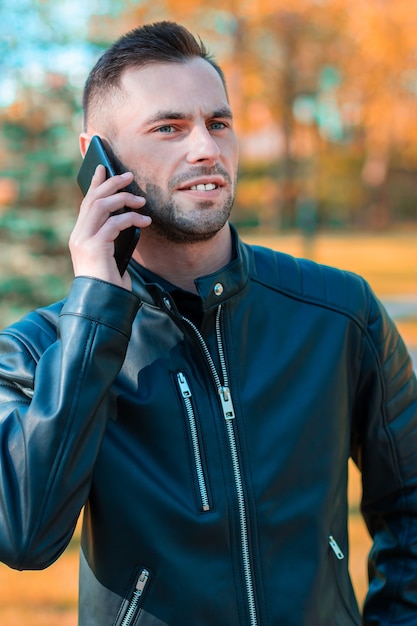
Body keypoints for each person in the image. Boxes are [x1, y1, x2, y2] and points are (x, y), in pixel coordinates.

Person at [0, 21, 416, 626]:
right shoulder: (40, 351)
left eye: (218, 123)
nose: (205, 148)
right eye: (168, 128)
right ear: (97, 155)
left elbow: (409, 497)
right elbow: (26, 537)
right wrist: (94, 317)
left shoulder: (339, 312)